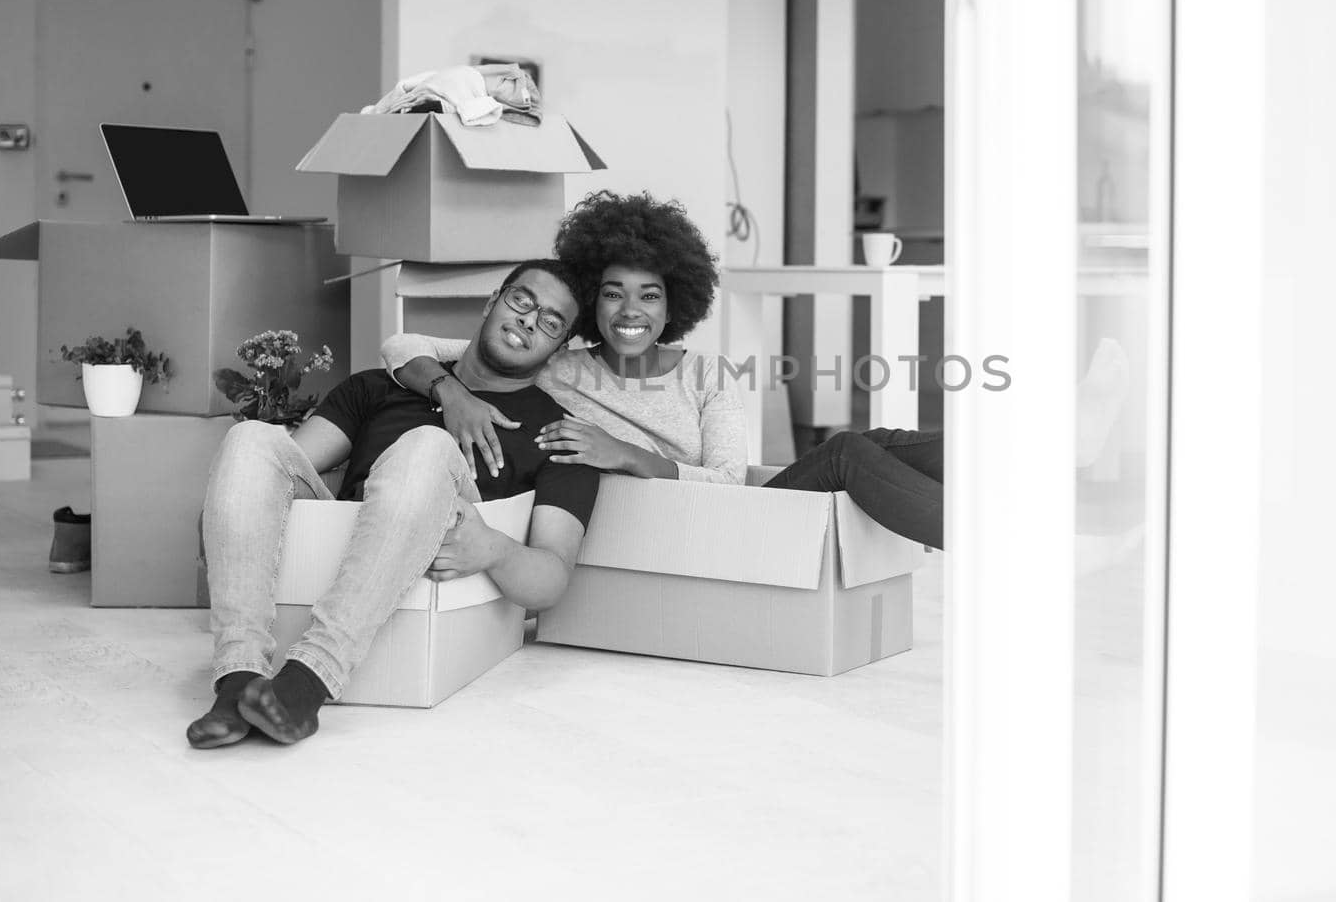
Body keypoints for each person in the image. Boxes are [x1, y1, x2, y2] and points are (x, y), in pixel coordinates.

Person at [380, 191, 948, 549]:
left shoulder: (707, 374)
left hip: (733, 517)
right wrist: (451, 393)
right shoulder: (554, 365)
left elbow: (730, 481)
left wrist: (626, 453)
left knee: (881, 443)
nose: (631, 312)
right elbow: (402, 343)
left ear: (674, 304)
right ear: (590, 305)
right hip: (694, 537)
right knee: (849, 452)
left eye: (649, 296)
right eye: (612, 294)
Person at [188, 260, 600, 750]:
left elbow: (552, 578)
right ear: (494, 301)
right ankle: (238, 680)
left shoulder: (559, 435)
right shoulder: (379, 386)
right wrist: (232, 501)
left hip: (437, 552)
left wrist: (494, 549)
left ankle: (307, 680)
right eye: (522, 301)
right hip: (345, 533)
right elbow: (283, 467)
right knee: (251, 438)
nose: (530, 321)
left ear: (561, 347)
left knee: (426, 445)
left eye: (551, 322)